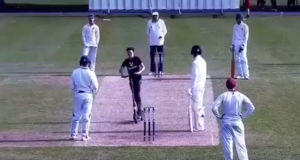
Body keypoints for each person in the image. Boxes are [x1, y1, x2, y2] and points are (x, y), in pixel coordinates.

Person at [212, 78, 255, 160]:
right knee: (241, 145)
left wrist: (219, 116)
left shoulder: (223, 95)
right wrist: (243, 116)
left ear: (226, 85)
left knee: (227, 144)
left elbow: (214, 108)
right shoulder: (241, 95)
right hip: (237, 121)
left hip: (226, 121)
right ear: (236, 85)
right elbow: (251, 108)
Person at [70, 56, 99, 141]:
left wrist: (76, 91)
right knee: (86, 115)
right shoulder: (91, 73)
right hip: (88, 95)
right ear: (88, 64)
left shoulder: (75, 72)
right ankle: (84, 135)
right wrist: (93, 92)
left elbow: (71, 85)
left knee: (76, 115)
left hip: (78, 95)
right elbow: (96, 86)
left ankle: (73, 134)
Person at [119, 47, 145, 121]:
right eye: (128, 53)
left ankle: (140, 110)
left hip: (137, 78)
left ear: (133, 52)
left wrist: (139, 72)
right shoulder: (126, 61)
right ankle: (136, 110)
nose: (129, 54)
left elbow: (143, 67)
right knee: (133, 95)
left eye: (130, 52)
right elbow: (120, 70)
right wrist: (124, 75)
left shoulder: (137, 59)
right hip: (131, 79)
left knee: (137, 94)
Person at [187, 45, 207, 131]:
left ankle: (199, 126)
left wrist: (190, 88)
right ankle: (200, 125)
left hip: (196, 87)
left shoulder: (195, 63)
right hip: (202, 86)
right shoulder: (203, 61)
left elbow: (195, 76)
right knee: (200, 106)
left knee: (196, 107)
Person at [147, 11, 167, 76]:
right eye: (153, 16)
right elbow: (147, 31)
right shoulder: (149, 22)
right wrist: (152, 37)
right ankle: (152, 71)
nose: (155, 17)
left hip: (160, 42)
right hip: (152, 42)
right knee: (152, 57)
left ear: (158, 16)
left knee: (161, 57)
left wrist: (162, 36)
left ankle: (160, 70)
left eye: (156, 16)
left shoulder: (161, 22)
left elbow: (165, 31)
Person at [230, 14, 250, 80]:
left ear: (241, 19)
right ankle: (240, 74)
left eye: (238, 19)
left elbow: (246, 37)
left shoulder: (245, 26)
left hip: (242, 43)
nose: (237, 21)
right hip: (236, 43)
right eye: (236, 19)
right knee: (237, 59)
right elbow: (233, 36)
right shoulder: (235, 26)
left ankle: (246, 74)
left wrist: (243, 45)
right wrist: (232, 44)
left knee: (243, 59)